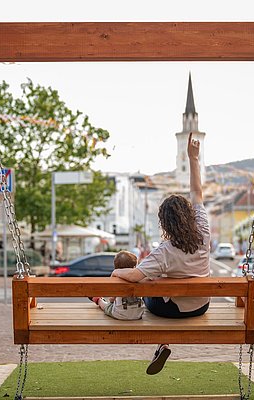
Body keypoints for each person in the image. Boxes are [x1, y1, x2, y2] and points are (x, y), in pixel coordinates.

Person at [111, 132, 210, 375]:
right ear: (188, 215)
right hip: (201, 305)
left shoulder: (165, 251)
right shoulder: (204, 229)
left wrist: (116, 271)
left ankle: (162, 342)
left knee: (148, 287)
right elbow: (197, 193)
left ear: (165, 223)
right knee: (157, 284)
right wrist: (193, 159)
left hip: (175, 310)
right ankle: (161, 343)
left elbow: (134, 276)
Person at [89, 250, 145, 320]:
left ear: (116, 268)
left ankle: (98, 300)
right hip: (138, 314)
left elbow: (112, 299)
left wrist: (111, 301)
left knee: (107, 306)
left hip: (120, 314)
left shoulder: (116, 280)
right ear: (134, 266)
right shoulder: (139, 279)